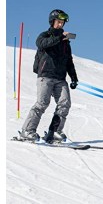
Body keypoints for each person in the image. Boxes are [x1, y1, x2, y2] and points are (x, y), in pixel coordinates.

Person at [20, 9, 78, 143]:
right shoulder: (45, 35)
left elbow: (69, 60)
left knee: (65, 104)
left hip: (60, 78)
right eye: (58, 22)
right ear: (52, 22)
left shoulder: (65, 42)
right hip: (45, 76)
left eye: (62, 23)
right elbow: (41, 44)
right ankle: (27, 131)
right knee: (42, 103)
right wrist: (58, 37)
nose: (60, 25)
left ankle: (55, 132)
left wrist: (74, 78)